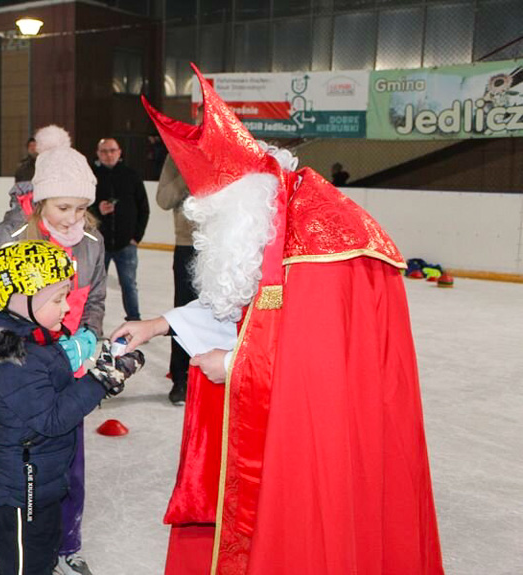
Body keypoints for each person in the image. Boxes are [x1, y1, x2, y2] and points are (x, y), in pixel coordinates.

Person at [113, 67, 444, 574]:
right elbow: (251, 301)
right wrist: (157, 324)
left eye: (214, 214)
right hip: (287, 415)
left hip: (323, 430)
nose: (213, 228)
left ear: (241, 200)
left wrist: (236, 364)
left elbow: (314, 353)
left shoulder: (316, 237)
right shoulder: (273, 216)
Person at [0, 125, 105, 575]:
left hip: (69, 368)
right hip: (21, 368)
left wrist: (87, 344)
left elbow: (95, 301)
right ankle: (12, 554)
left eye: (82, 208)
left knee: (65, 464)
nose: (73, 218)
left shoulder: (93, 244)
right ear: (41, 200)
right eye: (64, 207)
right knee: (22, 464)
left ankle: (61, 544)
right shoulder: (9, 239)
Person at [0, 240, 144, 575]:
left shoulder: (36, 338)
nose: (67, 308)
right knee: (21, 565)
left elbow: (57, 391)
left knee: (41, 556)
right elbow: (53, 418)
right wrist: (100, 382)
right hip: (20, 486)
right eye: (57, 299)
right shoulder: (15, 356)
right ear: (21, 301)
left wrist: (98, 371)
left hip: (41, 475)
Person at [92, 137, 149, 321]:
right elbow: (82, 208)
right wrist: (97, 210)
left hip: (127, 244)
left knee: (129, 284)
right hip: (100, 244)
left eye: (112, 150)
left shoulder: (131, 175)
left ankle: (134, 320)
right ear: (98, 154)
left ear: (119, 152)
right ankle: (93, 323)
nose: (108, 155)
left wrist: (136, 237)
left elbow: (143, 209)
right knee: (96, 287)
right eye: (104, 151)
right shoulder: (91, 178)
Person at [155, 154, 197, 406]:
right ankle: (181, 378)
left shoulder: (228, 149)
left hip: (224, 245)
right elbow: (163, 199)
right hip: (188, 245)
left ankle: (219, 377)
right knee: (185, 313)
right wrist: (190, 169)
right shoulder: (177, 154)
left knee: (225, 314)